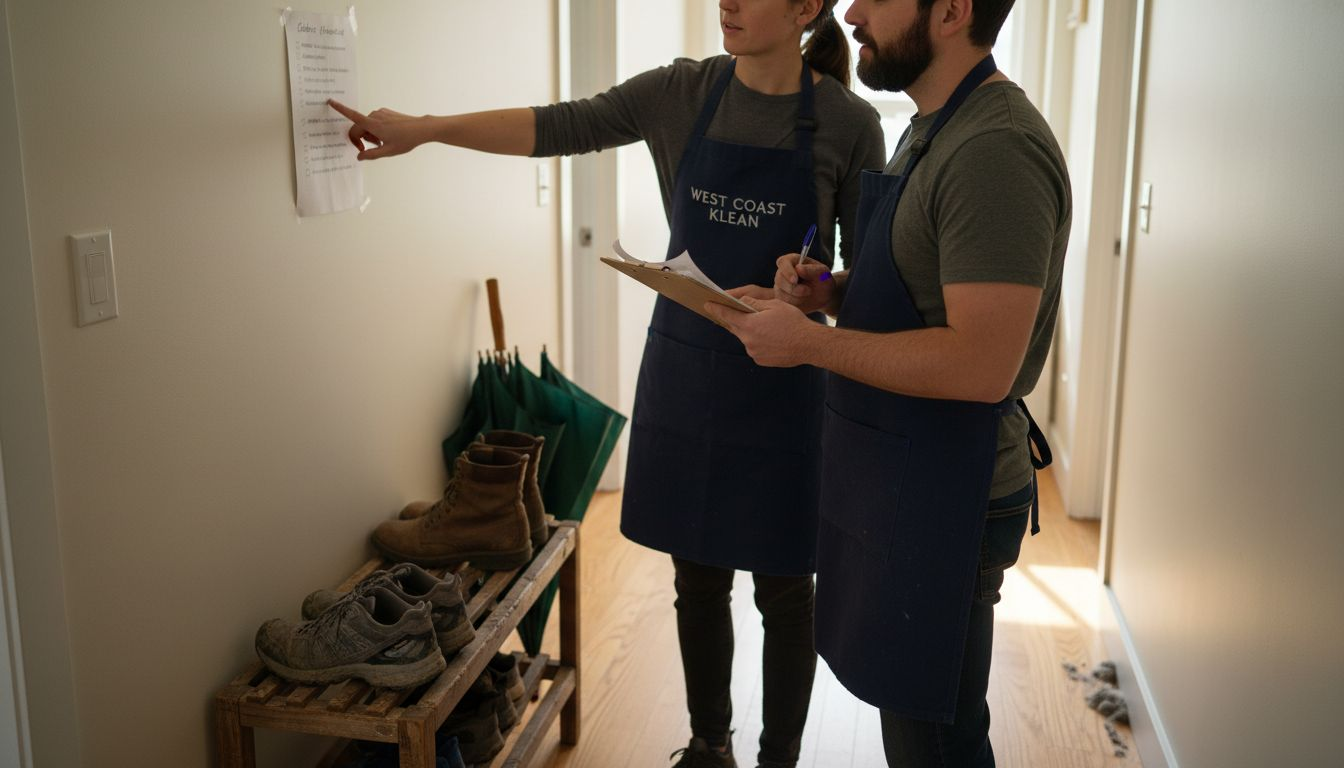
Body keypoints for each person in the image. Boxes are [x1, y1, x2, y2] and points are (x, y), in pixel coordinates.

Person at [327, 2, 885, 767]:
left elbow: (864, 283)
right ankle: (708, 745)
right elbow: (559, 125)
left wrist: (814, 285)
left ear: (802, 9)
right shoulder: (682, 94)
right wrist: (426, 128)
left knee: (786, 592)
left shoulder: (849, 124)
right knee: (698, 578)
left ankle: (779, 760)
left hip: (785, 389)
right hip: (689, 374)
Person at [706, 0, 1071, 766]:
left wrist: (808, 344)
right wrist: (831, 294)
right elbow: (931, 290)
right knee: (915, 727)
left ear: (951, 11)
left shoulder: (995, 149)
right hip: (911, 470)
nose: (850, 10)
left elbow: (981, 365)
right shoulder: (930, 129)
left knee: (935, 740)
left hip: (953, 488)